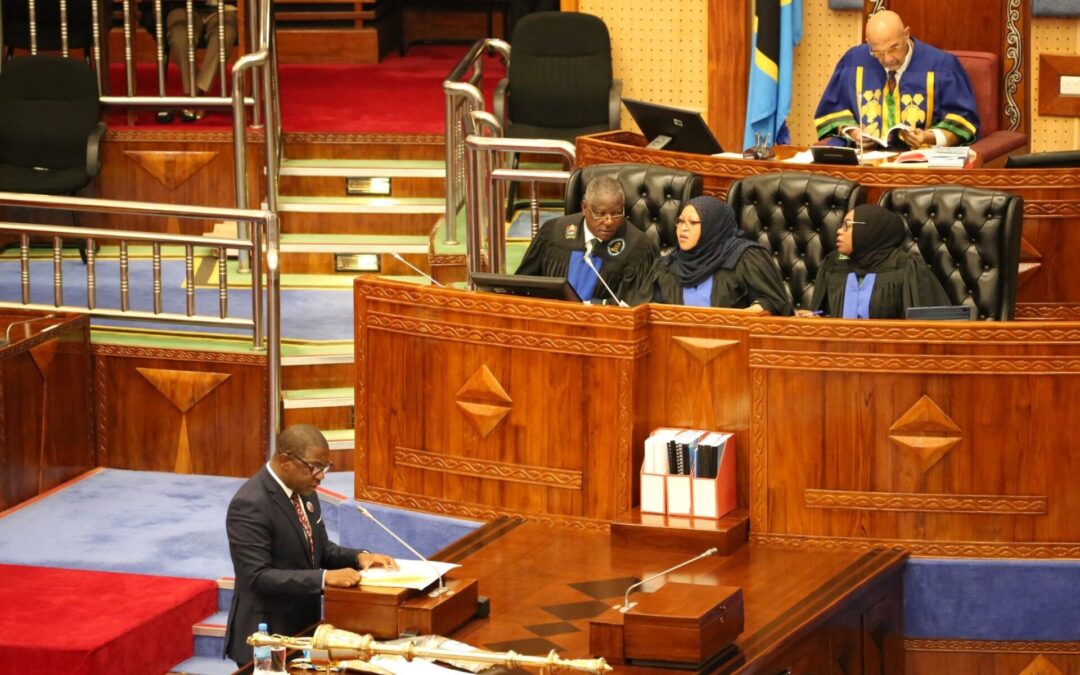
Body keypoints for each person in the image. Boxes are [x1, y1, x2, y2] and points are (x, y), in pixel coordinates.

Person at [223, 424, 397, 666]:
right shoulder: (250, 504)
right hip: (266, 635)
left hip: (303, 629)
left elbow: (320, 549)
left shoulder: (304, 490)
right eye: (315, 467)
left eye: (325, 467)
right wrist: (324, 578)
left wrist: (359, 557)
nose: (321, 476)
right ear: (285, 460)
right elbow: (257, 577)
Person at [814, 10, 979, 150]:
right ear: (868, 43)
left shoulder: (942, 66)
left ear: (906, 34)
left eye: (894, 48)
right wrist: (853, 132)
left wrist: (928, 137)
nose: (887, 59)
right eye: (877, 52)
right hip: (866, 163)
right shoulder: (853, 62)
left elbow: (962, 121)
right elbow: (832, 113)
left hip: (921, 165)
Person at [629, 196, 793, 315]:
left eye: (692, 223)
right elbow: (642, 309)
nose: (683, 229)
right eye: (680, 221)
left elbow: (775, 301)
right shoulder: (666, 266)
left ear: (712, 227)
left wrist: (756, 310)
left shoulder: (746, 258)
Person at [515, 176, 659, 305]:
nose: (609, 221)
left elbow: (633, 306)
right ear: (585, 208)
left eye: (616, 213)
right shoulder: (553, 233)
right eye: (600, 214)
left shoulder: (638, 248)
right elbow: (523, 288)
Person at [798, 204, 949, 320]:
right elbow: (824, 314)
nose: (839, 231)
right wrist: (816, 318)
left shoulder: (905, 266)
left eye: (847, 226)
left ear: (869, 231)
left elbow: (933, 325)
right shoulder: (834, 264)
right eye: (840, 226)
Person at [144, 0, 238, 122]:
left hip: (225, 7)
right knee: (179, 34)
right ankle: (194, 93)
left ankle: (197, 93)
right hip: (181, 7)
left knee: (225, 34)